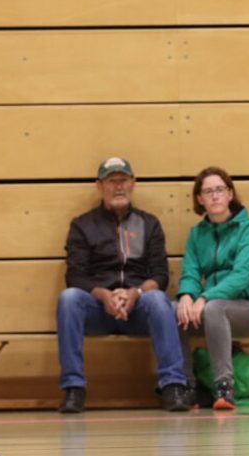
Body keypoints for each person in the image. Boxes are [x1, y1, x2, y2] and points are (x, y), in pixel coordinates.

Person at [56, 157, 191, 413]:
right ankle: (73, 389)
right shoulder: (82, 225)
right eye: (112, 181)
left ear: (133, 183)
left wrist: (135, 293)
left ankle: (173, 386)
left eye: (124, 180)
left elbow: (161, 275)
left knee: (160, 299)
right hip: (97, 309)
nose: (119, 187)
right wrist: (104, 295)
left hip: (139, 308)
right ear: (99, 186)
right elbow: (75, 275)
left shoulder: (149, 224)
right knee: (69, 298)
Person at [177, 166, 249, 410]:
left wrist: (205, 297)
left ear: (230, 194)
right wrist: (187, 295)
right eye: (208, 192)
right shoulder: (197, 234)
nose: (215, 196)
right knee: (173, 309)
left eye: (220, 190)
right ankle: (187, 386)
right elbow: (191, 272)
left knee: (215, 308)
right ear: (200, 199)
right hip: (210, 307)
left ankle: (224, 388)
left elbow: (242, 276)